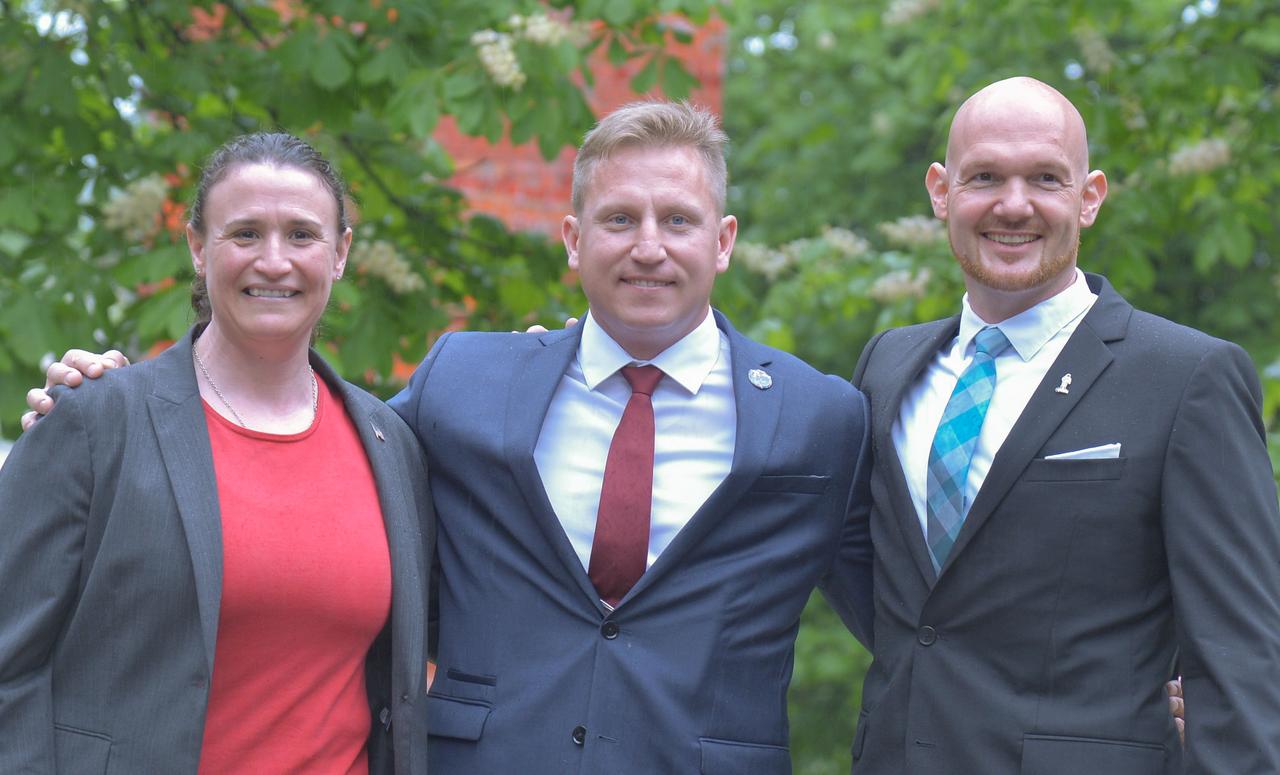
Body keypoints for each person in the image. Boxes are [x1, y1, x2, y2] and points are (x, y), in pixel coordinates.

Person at [23, 102, 875, 773]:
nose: (647, 247)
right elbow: (287, 451)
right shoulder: (465, 383)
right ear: (573, 240)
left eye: (678, 221)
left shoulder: (818, 419)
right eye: (618, 220)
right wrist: (106, 403)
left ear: (722, 241)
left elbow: (910, 607)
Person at [849, 77, 1280, 773]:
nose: (1013, 205)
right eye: (984, 176)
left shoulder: (1186, 377)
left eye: (1045, 179)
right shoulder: (885, 367)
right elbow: (886, 588)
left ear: (1089, 197)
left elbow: (1241, 651)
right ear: (940, 191)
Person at [0, 133, 433, 773]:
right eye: (246, 234)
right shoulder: (99, 419)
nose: (275, 261)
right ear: (199, 248)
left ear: (340, 254)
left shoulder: (390, 444)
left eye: (302, 235)